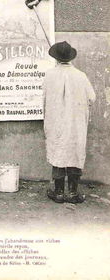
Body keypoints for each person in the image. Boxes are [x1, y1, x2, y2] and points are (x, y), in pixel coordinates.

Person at [43, 41, 96, 204]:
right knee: (74, 152)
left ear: (56, 58)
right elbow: (91, 98)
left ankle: (58, 193)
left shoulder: (49, 75)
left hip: (56, 122)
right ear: (70, 58)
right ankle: (73, 193)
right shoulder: (81, 75)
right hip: (76, 123)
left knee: (58, 151)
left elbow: (44, 98)